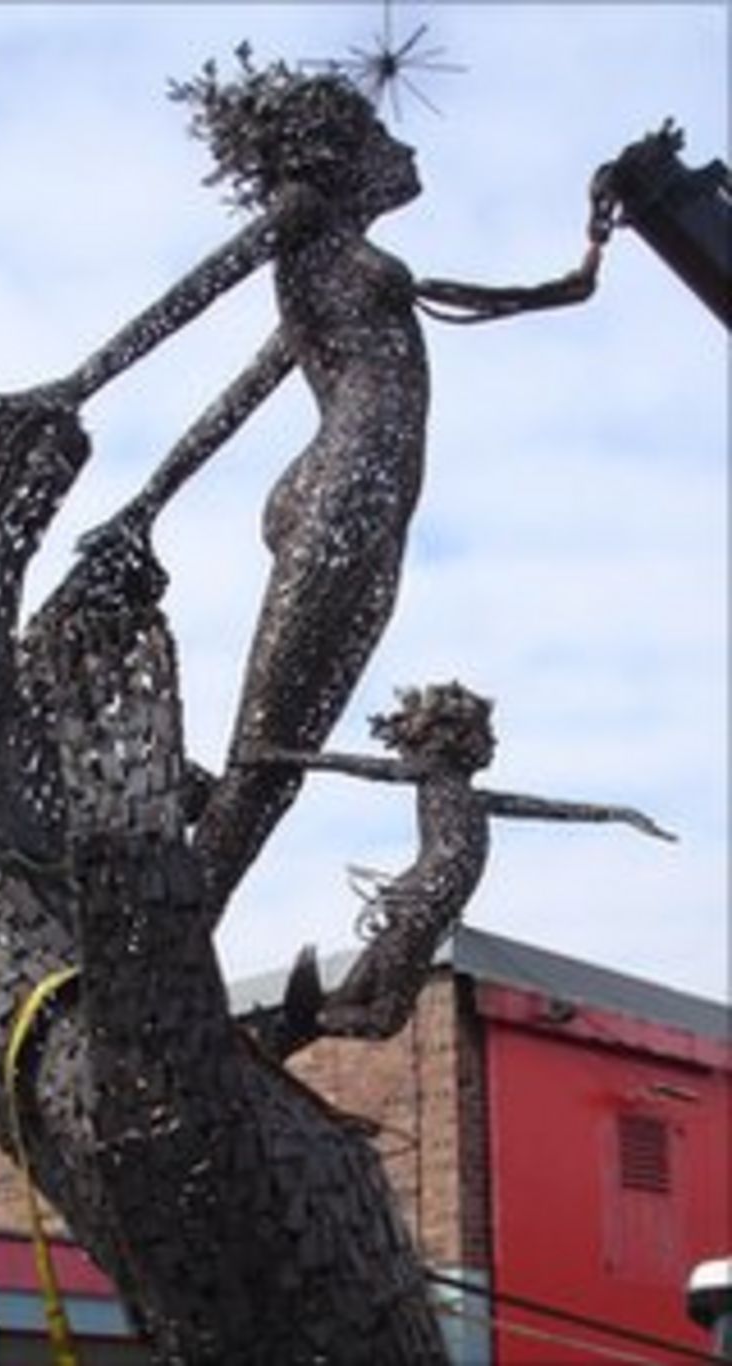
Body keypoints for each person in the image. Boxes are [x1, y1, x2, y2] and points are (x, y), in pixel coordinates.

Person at [47, 50, 600, 922]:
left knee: (284, 750)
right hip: (346, 483)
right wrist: (77, 388)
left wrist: (590, 257)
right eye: (381, 132)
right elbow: (196, 293)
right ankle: (166, 943)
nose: (403, 147)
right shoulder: (305, 222)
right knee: (269, 748)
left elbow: (245, 389)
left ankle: (180, 921)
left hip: (364, 491)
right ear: (338, 152)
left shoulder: (350, 263)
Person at [246, 682, 675, 1039]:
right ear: (450, 737)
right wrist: (282, 756)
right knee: (381, 1020)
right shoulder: (434, 775)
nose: (492, 745)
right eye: (483, 736)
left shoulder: (472, 798)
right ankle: (302, 1021)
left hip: (423, 906)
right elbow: (359, 766)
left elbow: (549, 807)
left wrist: (619, 814)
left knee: (351, 1004)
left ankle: (287, 1033)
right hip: (423, 902)